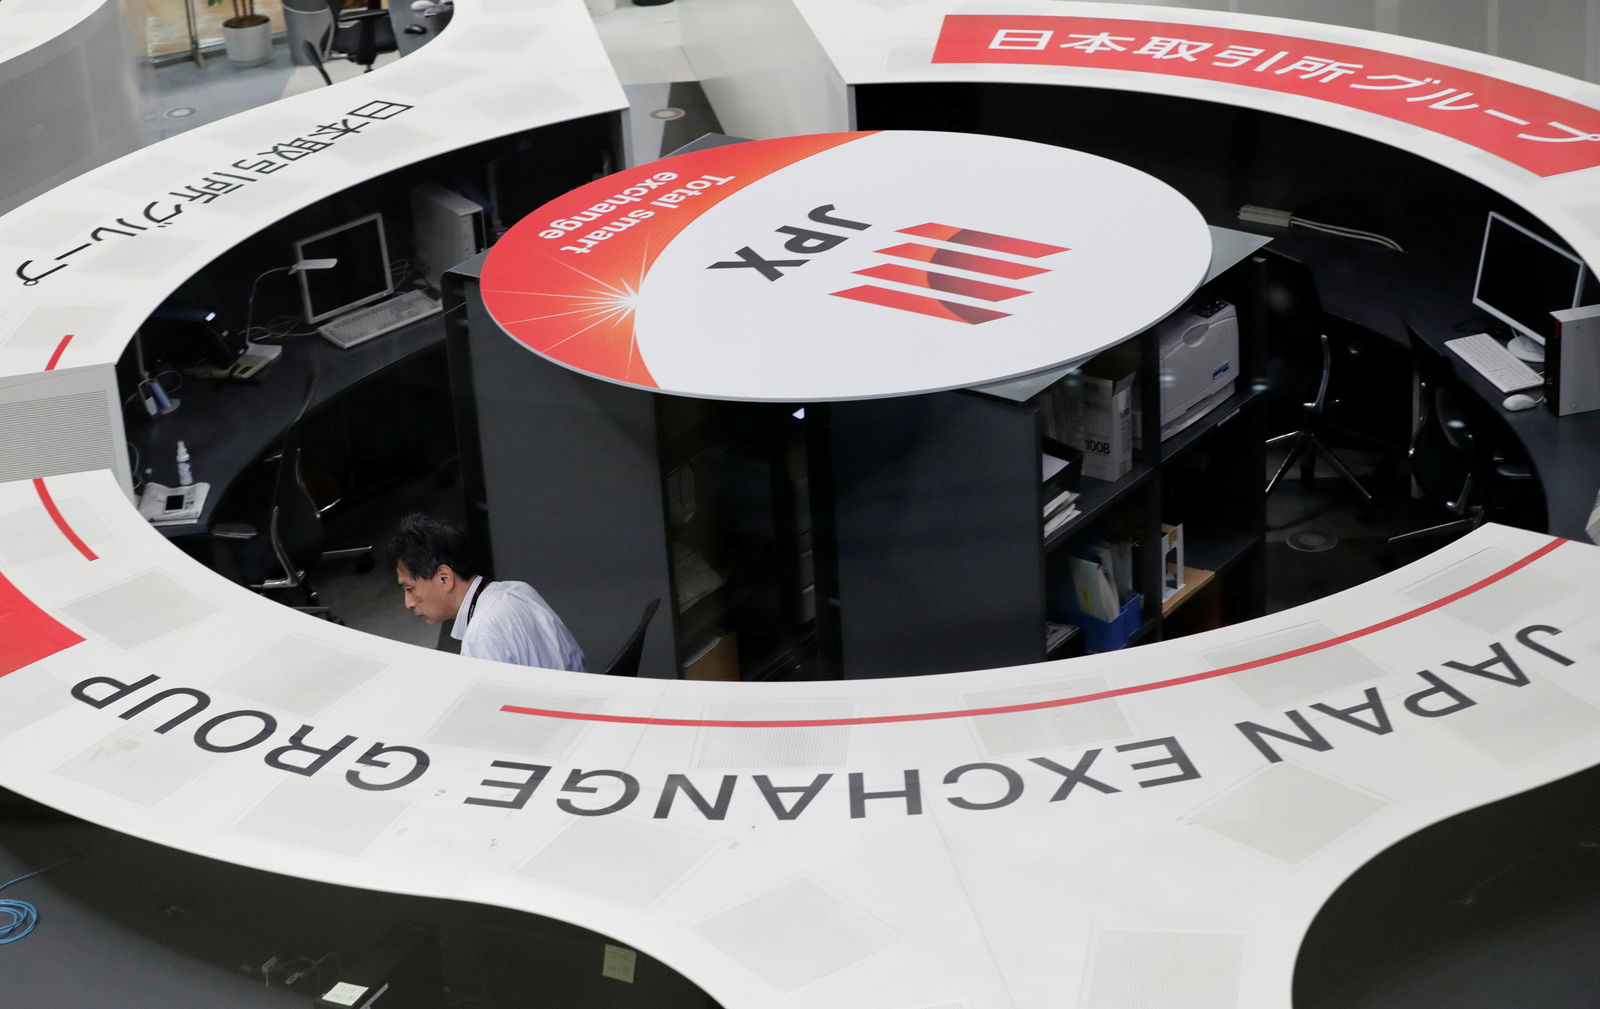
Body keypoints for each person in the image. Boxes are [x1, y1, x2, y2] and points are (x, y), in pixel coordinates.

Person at [387, 513, 587, 671]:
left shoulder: (480, 637)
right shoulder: (519, 590)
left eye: (410, 589)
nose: (408, 602)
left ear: (444, 578)